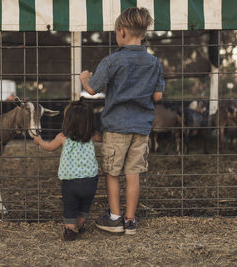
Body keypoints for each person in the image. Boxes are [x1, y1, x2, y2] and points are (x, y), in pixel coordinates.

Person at [79, 7, 165, 235]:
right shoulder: (154, 63)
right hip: (141, 127)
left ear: (122, 32)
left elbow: (92, 89)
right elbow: (158, 96)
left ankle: (114, 218)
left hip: (116, 127)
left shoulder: (111, 61)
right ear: (143, 34)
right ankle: (130, 221)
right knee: (133, 173)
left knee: (112, 172)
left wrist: (85, 78)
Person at [33, 100, 99, 241]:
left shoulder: (62, 138)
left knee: (70, 206)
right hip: (90, 181)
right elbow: (103, 137)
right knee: (85, 205)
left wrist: (39, 141)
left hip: (70, 181)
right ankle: (79, 226)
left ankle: (70, 228)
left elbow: (49, 147)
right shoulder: (92, 137)